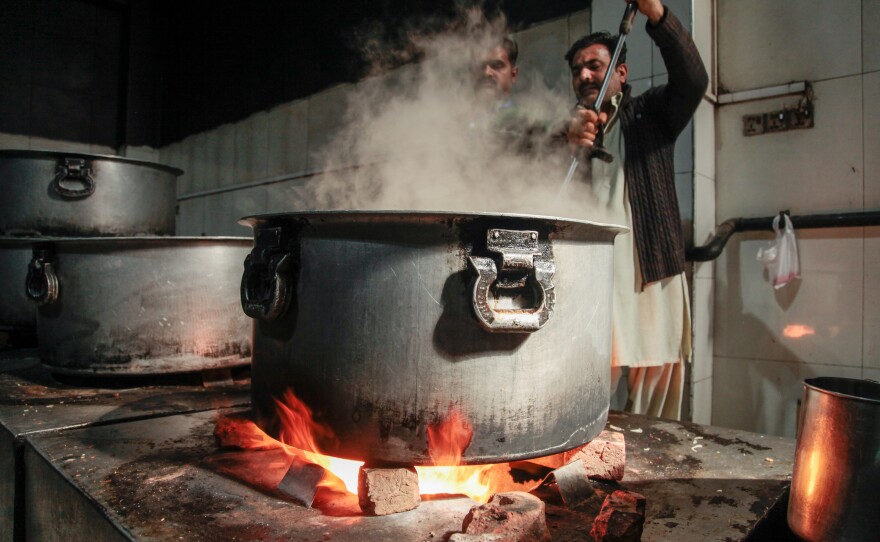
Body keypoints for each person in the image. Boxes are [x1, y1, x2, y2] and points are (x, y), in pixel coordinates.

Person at [563, 0, 708, 419]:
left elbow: (693, 79)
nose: (585, 75)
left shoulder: (652, 114)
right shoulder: (570, 131)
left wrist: (658, 15)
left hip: (652, 277)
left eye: (594, 65)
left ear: (620, 73)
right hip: (591, 282)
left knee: (655, 409)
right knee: (582, 394)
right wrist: (563, 134)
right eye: (577, 70)